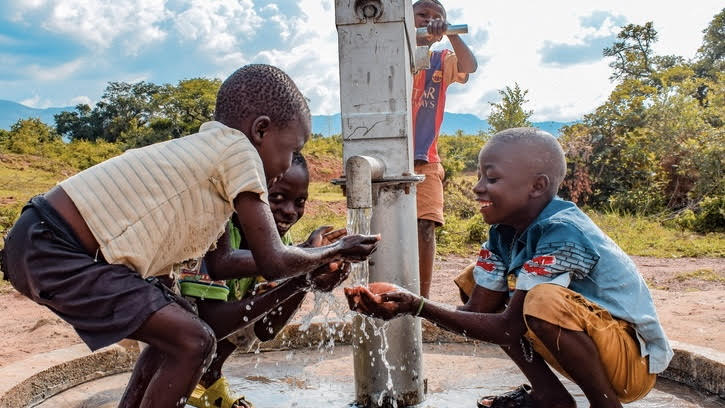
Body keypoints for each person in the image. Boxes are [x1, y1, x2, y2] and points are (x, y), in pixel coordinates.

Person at [0, 64, 379, 408]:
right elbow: (273, 261)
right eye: (292, 148)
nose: (285, 165)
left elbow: (221, 262)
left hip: (39, 239)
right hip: (57, 246)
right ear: (260, 130)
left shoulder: (212, 160)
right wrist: (338, 247)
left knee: (177, 326)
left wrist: (305, 262)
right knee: (194, 340)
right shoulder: (238, 152)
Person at [347, 128, 673, 408]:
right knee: (478, 283)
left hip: (631, 364)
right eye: (479, 176)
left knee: (541, 301)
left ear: (537, 186)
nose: (477, 187)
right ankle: (551, 397)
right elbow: (481, 313)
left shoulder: (563, 231)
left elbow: (507, 328)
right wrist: (406, 305)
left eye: (492, 178)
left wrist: (416, 305)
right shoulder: (502, 234)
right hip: (599, 347)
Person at [182, 152, 349, 408]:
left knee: (260, 300)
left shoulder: (279, 242)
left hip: (203, 325)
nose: (290, 212)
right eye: (277, 198)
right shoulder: (216, 230)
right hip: (163, 322)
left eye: (300, 201)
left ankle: (208, 377)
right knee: (235, 309)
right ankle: (179, 379)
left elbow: (266, 329)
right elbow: (212, 323)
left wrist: (306, 277)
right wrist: (300, 272)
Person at [412, 0, 477, 298]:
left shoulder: (441, 59)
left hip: (425, 158)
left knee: (426, 225)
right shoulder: (392, 55)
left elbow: (470, 66)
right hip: (387, 154)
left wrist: (451, 34)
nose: (429, 20)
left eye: (437, 18)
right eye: (422, 15)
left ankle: (422, 300)